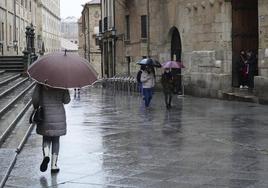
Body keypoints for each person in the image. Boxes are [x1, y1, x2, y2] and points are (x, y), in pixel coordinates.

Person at [32, 83, 70, 173]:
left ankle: (46, 155)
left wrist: (37, 106)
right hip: (59, 116)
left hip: (45, 114)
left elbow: (35, 99)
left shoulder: (40, 83)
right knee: (56, 140)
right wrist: (66, 89)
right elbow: (66, 100)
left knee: (46, 137)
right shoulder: (62, 82)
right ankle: (54, 165)